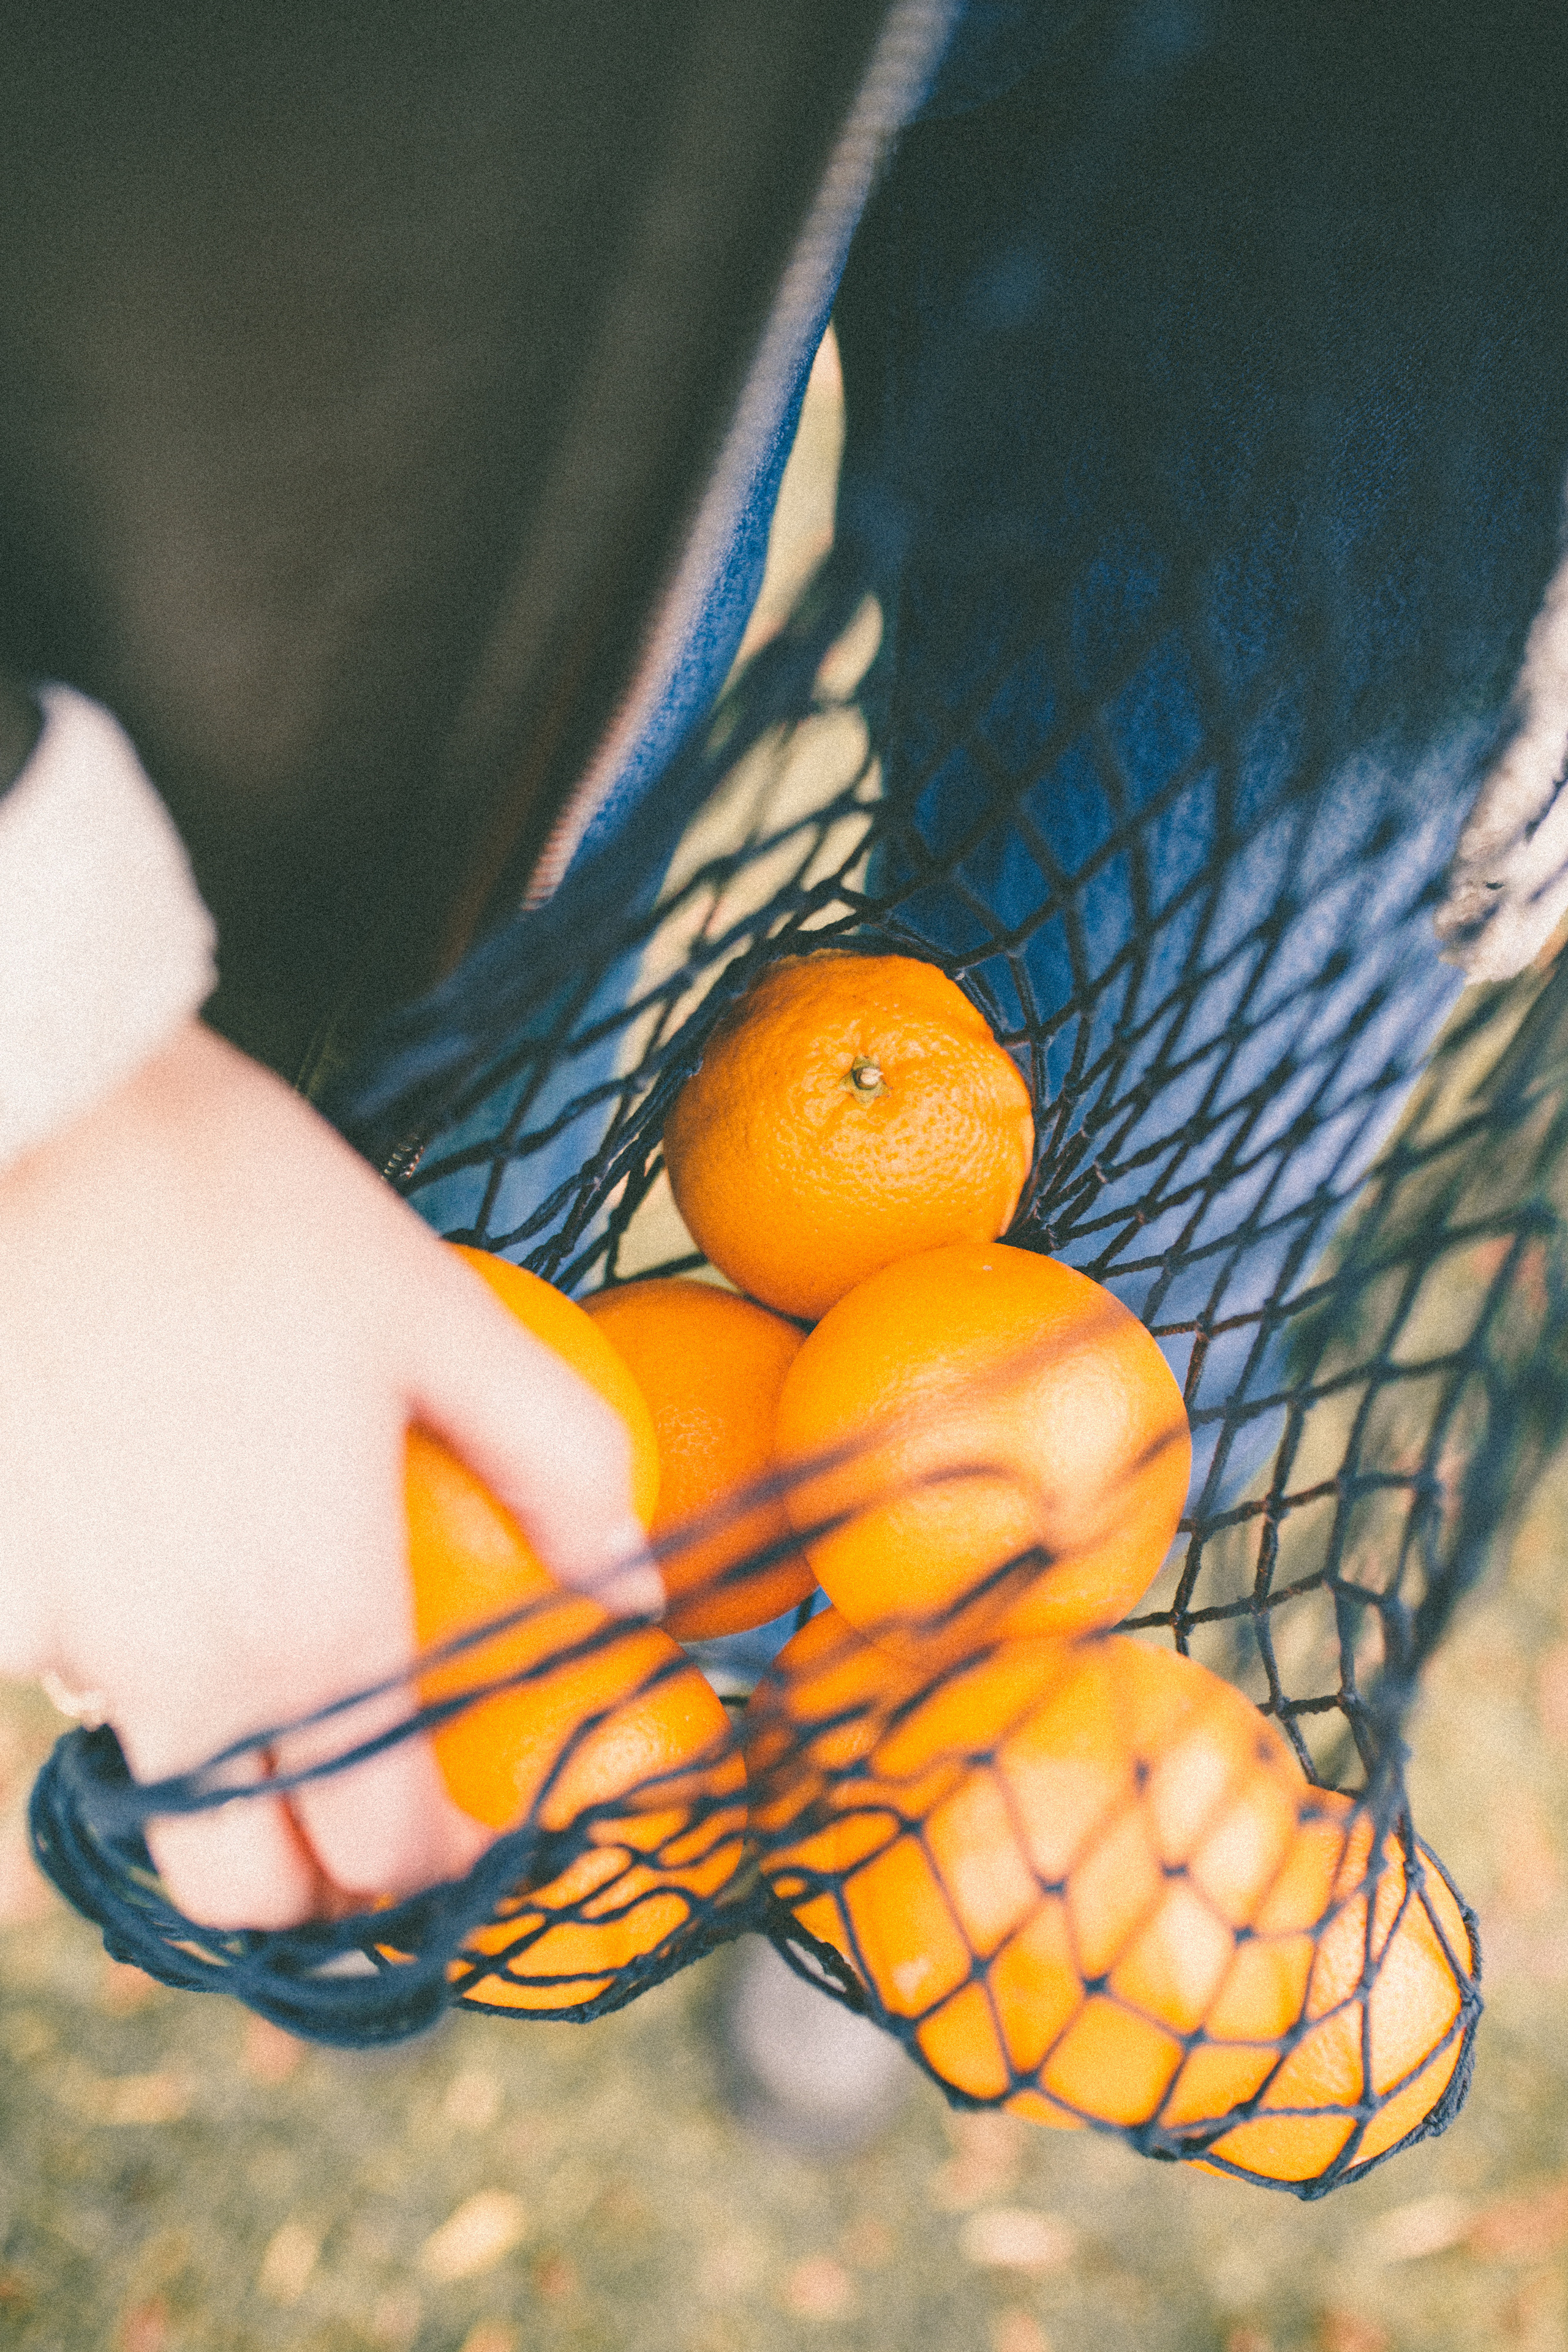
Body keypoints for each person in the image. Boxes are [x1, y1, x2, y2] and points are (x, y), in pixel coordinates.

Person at [4, 0, 1568, 1962]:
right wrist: (50, 1062)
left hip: (1414, 139)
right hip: (478, 156)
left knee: (1141, 1270)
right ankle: (640, 1747)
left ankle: (917, 1812)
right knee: (441, 1285)